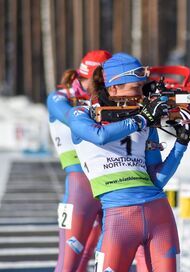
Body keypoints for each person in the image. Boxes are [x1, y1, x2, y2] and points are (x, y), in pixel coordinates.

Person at [68, 52, 190, 272]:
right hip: (119, 219)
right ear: (113, 88)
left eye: (143, 88)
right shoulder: (82, 113)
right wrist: (143, 118)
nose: (141, 95)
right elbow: (100, 135)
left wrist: (181, 144)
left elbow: (157, 179)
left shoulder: (146, 121)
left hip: (159, 214)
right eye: (136, 88)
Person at [47, 50, 112, 271]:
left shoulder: (107, 99)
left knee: (87, 259)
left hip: (107, 182)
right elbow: (74, 120)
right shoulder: (60, 97)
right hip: (80, 186)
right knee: (69, 265)